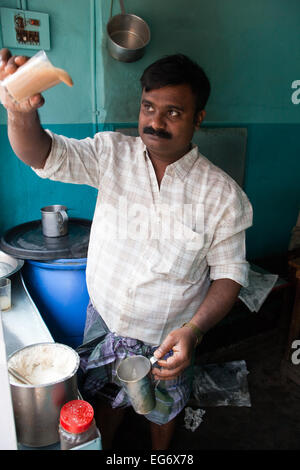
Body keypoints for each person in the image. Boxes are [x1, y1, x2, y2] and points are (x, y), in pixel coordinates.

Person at [0, 50, 253, 450]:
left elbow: (229, 274)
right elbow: (42, 153)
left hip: (170, 338)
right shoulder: (111, 155)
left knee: (162, 409)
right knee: (104, 400)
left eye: (173, 112)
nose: (155, 122)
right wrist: (19, 113)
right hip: (105, 321)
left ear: (198, 118)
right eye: (148, 107)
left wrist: (193, 330)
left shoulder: (221, 195)